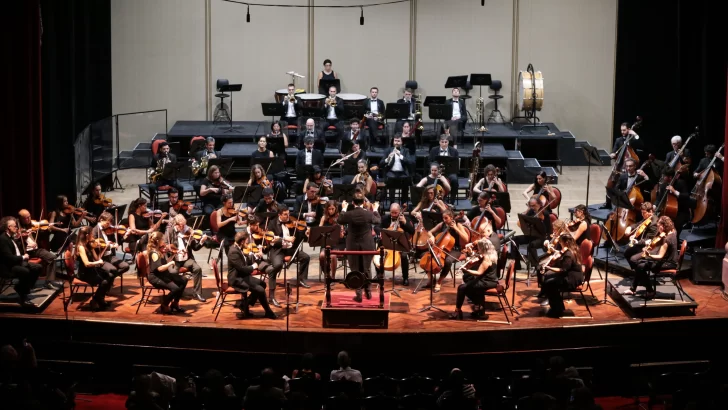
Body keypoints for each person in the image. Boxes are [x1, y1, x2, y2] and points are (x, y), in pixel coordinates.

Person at [337, 192, 381, 302]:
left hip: (353, 244)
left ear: (352, 202)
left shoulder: (349, 214)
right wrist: (375, 209)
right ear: (364, 202)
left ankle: (358, 293)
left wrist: (344, 208)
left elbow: (340, 220)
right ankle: (368, 291)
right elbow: (378, 220)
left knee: (355, 268)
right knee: (367, 267)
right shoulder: (368, 214)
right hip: (367, 244)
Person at [624, 216, 678, 300]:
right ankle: (633, 288)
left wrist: (649, 254)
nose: (657, 228)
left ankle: (649, 290)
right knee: (640, 265)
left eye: (658, 226)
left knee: (640, 266)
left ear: (662, 226)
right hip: (670, 259)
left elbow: (660, 256)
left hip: (668, 263)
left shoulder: (667, 239)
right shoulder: (673, 231)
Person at [228, 231, 277, 319]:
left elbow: (245, 258)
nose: (248, 243)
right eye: (246, 241)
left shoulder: (238, 248)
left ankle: (244, 304)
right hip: (236, 279)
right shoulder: (233, 252)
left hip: (242, 276)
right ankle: (268, 312)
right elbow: (242, 269)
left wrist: (255, 256)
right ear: (242, 241)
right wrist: (253, 266)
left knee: (263, 284)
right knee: (260, 290)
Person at [422, 209, 469, 293]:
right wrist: (432, 237)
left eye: (446, 218)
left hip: (455, 250)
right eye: (443, 218)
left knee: (448, 261)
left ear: (451, 217)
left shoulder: (458, 225)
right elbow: (429, 232)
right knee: (426, 258)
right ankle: (431, 279)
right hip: (442, 249)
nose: (444, 220)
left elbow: (466, 239)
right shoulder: (442, 224)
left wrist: (455, 228)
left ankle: (439, 281)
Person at [267, 207, 311, 297]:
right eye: (285, 214)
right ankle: (272, 285)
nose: (288, 216)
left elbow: (298, 237)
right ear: (279, 215)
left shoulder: (291, 223)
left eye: (288, 214)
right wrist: (285, 239)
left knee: (306, 257)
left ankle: (301, 279)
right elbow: (270, 239)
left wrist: (304, 233)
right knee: (278, 265)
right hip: (278, 250)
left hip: (290, 249)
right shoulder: (272, 223)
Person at [0, 217, 42, 308]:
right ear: (8, 227)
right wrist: (23, 257)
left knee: (38, 267)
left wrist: (23, 239)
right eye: (15, 226)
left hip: (16, 263)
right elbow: (9, 257)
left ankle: (22, 288)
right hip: (8, 267)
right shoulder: (3, 239)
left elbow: (18, 249)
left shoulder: (11, 237)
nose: (17, 228)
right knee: (25, 271)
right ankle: (23, 295)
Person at [164, 214, 207, 302]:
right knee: (172, 272)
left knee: (197, 269)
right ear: (175, 224)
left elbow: (195, 248)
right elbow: (165, 246)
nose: (184, 227)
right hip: (174, 259)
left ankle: (197, 293)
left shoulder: (188, 232)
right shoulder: (170, 231)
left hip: (186, 259)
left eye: (184, 225)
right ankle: (177, 291)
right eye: (181, 225)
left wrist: (201, 242)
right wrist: (174, 250)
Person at [540, 234, 583, 318]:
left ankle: (556, 310)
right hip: (571, 275)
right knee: (548, 279)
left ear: (566, 242)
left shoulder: (569, 254)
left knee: (549, 283)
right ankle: (558, 307)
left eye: (561, 242)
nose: (560, 244)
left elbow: (562, 270)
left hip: (572, 278)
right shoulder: (573, 249)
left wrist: (548, 267)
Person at [147, 231, 188, 314]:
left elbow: (164, 263)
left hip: (164, 274)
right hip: (156, 277)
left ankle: (175, 303)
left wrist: (174, 255)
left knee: (183, 280)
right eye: (162, 239)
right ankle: (164, 305)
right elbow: (160, 269)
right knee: (175, 288)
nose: (164, 241)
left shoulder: (159, 250)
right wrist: (170, 263)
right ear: (158, 241)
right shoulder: (154, 253)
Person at [74, 226, 113, 311]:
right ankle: (96, 300)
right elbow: (87, 264)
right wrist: (98, 263)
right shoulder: (81, 247)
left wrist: (102, 248)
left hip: (91, 270)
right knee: (104, 281)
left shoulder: (88, 245)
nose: (93, 236)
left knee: (110, 275)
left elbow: (97, 258)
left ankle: (99, 299)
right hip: (84, 273)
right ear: (87, 235)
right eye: (91, 233)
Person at [17, 209, 57, 289]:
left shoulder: (33, 224)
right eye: (26, 218)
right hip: (24, 252)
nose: (28, 219)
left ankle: (48, 282)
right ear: (20, 218)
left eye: (29, 217)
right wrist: (23, 236)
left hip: (36, 250)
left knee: (52, 258)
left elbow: (42, 234)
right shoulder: (16, 225)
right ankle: (27, 284)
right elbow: (14, 241)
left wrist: (48, 229)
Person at [511, 197, 553, 271]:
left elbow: (547, 230)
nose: (532, 208)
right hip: (532, 234)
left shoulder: (545, 213)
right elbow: (525, 221)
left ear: (540, 205)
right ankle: (517, 264)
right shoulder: (531, 211)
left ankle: (536, 266)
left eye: (534, 206)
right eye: (531, 206)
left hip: (543, 237)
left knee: (532, 245)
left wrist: (541, 221)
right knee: (514, 240)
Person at [91, 211, 131, 286]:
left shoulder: (108, 229)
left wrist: (124, 236)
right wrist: (110, 246)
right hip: (101, 257)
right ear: (101, 220)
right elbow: (95, 246)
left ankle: (108, 280)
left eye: (110, 223)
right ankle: (106, 285)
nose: (109, 225)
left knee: (126, 266)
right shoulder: (94, 231)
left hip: (110, 256)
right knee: (113, 270)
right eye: (107, 223)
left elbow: (116, 242)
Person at [380, 203, 414, 286]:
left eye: (396, 213)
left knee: (403, 256)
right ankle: (379, 275)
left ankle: (405, 277)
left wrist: (405, 223)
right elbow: (377, 227)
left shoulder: (406, 219)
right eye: (392, 213)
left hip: (401, 244)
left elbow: (412, 231)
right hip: (388, 243)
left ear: (399, 211)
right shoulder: (385, 218)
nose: (394, 215)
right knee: (379, 252)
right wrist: (383, 231)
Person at [654, 168, 691, 237]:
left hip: (681, 211)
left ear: (670, 177)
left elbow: (686, 196)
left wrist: (674, 191)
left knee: (675, 226)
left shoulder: (681, 183)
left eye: (664, 176)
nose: (662, 177)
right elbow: (659, 199)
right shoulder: (663, 185)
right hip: (667, 211)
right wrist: (654, 206)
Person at [380, 135, 413, 205]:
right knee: (391, 179)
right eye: (395, 141)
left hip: (402, 173)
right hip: (391, 172)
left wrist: (400, 155)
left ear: (401, 142)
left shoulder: (405, 150)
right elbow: (381, 163)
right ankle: (392, 203)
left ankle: (404, 204)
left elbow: (410, 162)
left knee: (406, 181)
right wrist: (388, 159)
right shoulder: (388, 150)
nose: (396, 143)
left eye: (398, 141)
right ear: (393, 141)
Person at [318, 200, 345, 280]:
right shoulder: (324, 218)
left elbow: (341, 235)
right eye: (329, 209)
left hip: (337, 243)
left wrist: (341, 232)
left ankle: (333, 277)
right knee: (322, 256)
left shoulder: (339, 218)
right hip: (326, 243)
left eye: (333, 209)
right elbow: (319, 230)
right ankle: (327, 274)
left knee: (333, 256)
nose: (331, 211)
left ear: (336, 208)